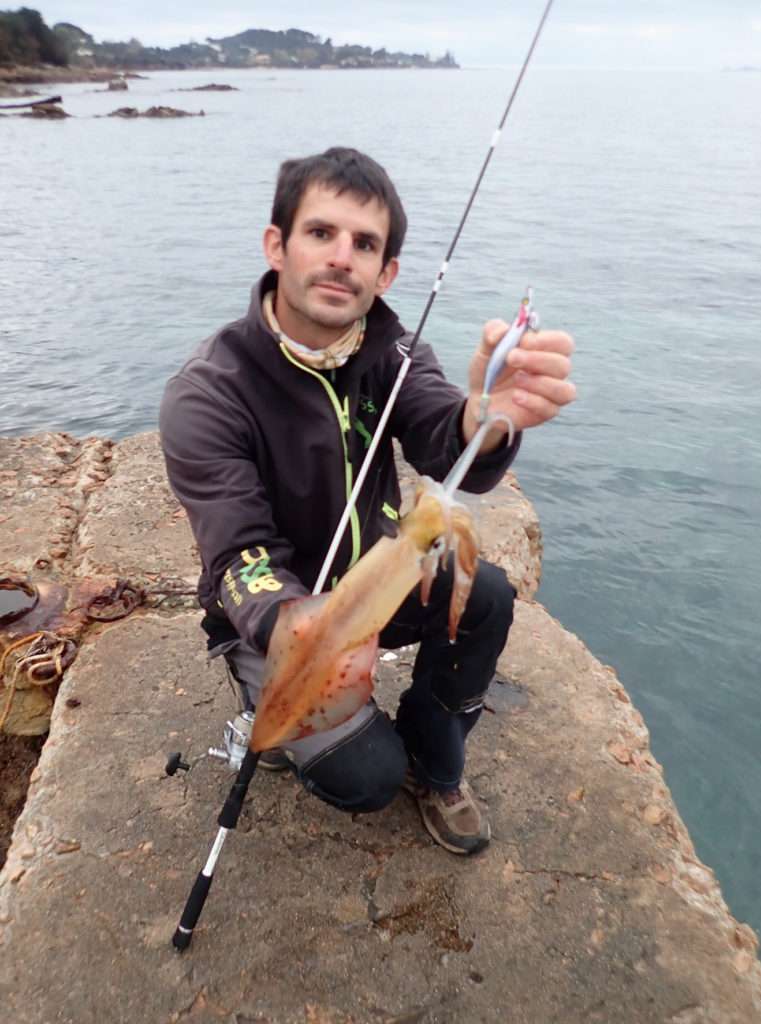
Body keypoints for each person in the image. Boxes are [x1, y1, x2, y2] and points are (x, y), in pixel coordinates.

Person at [159, 147, 575, 856]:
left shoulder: (392, 353)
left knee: (489, 599)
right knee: (367, 778)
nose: (341, 257)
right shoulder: (209, 393)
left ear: (385, 274)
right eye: (321, 233)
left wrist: (487, 417)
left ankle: (437, 762)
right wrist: (301, 630)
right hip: (284, 616)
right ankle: (275, 704)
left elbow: (448, 444)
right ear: (277, 245)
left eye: (364, 244)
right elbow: (239, 557)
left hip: (374, 582)